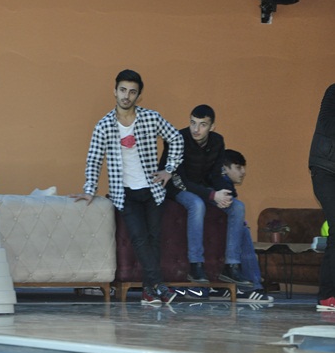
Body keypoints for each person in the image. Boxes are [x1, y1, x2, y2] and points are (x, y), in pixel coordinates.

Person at [70, 69, 183, 306]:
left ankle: (148, 292)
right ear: (115, 91)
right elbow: (94, 159)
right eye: (122, 90)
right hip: (125, 194)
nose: (126, 96)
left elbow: (176, 138)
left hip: (153, 190)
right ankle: (160, 285)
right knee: (140, 239)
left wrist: (169, 170)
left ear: (138, 95)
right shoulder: (103, 126)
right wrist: (90, 189)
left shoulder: (151, 118)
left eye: (132, 92)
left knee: (153, 240)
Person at [161, 105, 253, 288]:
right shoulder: (178, 138)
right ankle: (196, 265)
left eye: (202, 125)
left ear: (212, 127)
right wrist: (212, 195)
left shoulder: (217, 141)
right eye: (193, 123)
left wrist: (225, 193)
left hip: (203, 188)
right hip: (176, 188)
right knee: (197, 204)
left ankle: (231, 266)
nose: (196, 129)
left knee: (238, 206)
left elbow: (216, 175)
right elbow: (180, 180)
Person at [211, 149, 273, 303]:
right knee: (244, 231)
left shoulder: (222, 185)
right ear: (224, 169)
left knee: (243, 228)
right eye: (238, 167)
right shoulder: (220, 187)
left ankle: (226, 288)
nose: (243, 172)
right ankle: (251, 287)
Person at [309, 84, 335, 311]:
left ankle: (328, 295)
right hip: (325, 170)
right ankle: (328, 296)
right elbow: (329, 125)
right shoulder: (333, 92)